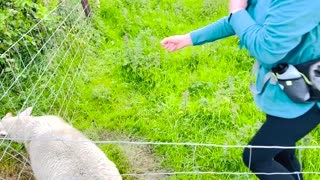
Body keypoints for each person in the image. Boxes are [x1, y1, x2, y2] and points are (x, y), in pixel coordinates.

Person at [160, 0, 320, 179]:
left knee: (257, 157)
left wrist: (236, 11)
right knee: (282, 153)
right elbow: (242, 18)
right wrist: (188, 38)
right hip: (285, 91)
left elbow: (266, 49)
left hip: (310, 96)